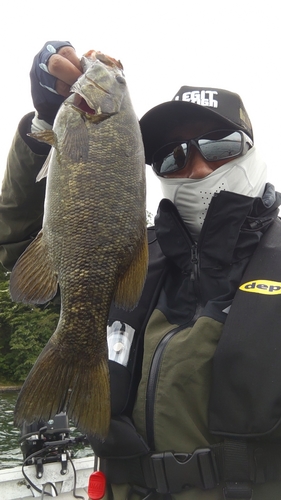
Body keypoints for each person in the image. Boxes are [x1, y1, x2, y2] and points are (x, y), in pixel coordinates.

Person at [1, 41, 281, 500]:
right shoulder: (137, 257)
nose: (197, 167)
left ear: (250, 148)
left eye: (219, 144)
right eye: (173, 156)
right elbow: (16, 250)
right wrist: (40, 134)